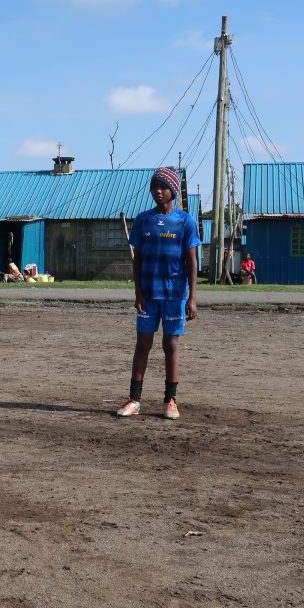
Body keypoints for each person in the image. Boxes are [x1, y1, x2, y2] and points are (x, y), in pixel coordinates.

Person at [116, 166, 201, 420]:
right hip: (148, 295)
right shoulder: (143, 220)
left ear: (173, 190)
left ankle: (170, 400)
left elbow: (192, 262)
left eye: (163, 187)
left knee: (170, 344)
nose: (158, 192)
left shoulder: (185, 221)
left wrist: (193, 297)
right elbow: (137, 259)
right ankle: (134, 399)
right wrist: (138, 292)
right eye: (154, 187)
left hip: (175, 294)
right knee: (143, 344)